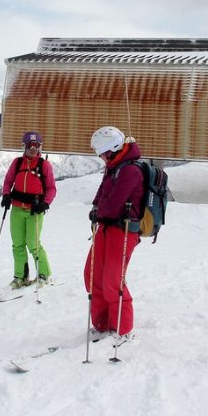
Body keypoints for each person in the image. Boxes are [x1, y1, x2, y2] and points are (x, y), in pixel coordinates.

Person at [84, 126, 145, 346]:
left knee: (112, 279)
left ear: (110, 149)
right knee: (92, 274)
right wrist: (95, 208)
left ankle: (123, 329)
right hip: (106, 228)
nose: (99, 157)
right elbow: (101, 196)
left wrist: (98, 211)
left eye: (100, 152)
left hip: (123, 230)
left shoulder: (130, 171)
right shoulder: (113, 167)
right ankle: (102, 324)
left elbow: (113, 205)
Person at [0, 131, 57, 289]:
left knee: (33, 244)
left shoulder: (44, 165)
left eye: (36, 145)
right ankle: (21, 276)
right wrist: (6, 195)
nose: (33, 148)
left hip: (35, 211)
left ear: (40, 147)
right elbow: (8, 182)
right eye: (29, 145)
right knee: (17, 244)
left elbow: (52, 188)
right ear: (24, 146)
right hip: (17, 209)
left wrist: (45, 204)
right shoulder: (17, 163)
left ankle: (44, 274)